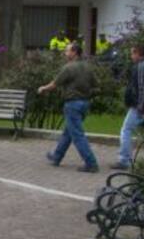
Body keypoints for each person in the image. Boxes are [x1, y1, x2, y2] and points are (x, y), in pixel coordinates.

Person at [40, 41, 99, 172]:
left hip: (72, 104)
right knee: (68, 132)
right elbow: (96, 85)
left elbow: (55, 84)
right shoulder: (87, 67)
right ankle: (57, 156)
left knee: (77, 135)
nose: (65, 53)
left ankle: (91, 163)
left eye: (67, 50)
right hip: (84, 104)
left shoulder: (69, 68)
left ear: (74, 53)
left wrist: (43, 88)